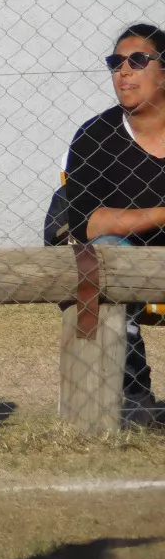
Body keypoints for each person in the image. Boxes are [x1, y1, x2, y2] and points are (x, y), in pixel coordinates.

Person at [64, 23, 165, 427]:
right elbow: (86, 222)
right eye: (115, 62)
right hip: (127, 259)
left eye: (137, 60)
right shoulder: (96, 136)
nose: (123, 71)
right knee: (104, 250)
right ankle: (134, 396)